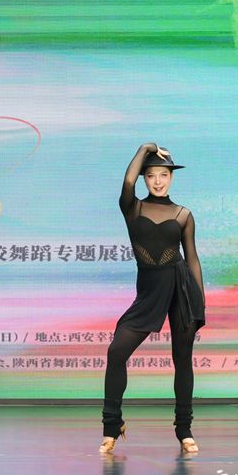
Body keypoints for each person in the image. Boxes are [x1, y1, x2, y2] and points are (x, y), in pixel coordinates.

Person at [99, 142, 206, 454]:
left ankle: (184, 429)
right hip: (149, 291)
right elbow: (127, 182)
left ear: (171, 177)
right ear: (144, 178)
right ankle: (112, 426)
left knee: (182, 359)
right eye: (151, 175)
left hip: (181, 288)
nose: (158, 181)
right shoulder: (133, 208)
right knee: (117, 351)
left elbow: (193, 259)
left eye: (164, 174)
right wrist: (143, 148)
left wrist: (200, 303)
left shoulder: (183, 214)